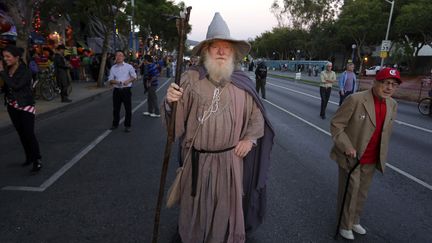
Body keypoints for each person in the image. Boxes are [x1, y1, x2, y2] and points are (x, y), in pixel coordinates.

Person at [164, 12, 274, 243]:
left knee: (224, 210)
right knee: (195, 209)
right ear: (206, 51)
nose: (222, 51)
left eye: (227, 47)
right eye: (216, 47)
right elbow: (176, 125)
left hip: (229, 161)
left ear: (233, 53)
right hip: (197, 160)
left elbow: (257, 118)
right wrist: (170, 102)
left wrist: (249, 140)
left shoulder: (243, 84)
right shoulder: (190, 80)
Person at [330, 67, 402, 240]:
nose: (389, 88)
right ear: (375, 82)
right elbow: (336, 125)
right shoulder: (356, 99)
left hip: (372, 157)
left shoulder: (392, 105)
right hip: (352, 157)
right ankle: (344, 224)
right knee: (350, 191)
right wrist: (346, 146)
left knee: (362, 192)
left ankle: (354, 220)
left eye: (393, 84)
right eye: (385, 83)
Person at [0, 45, 42, 172]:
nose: (5, 59)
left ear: (17, 57)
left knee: (29, 133)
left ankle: (37, 159)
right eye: (4, 56)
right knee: (21, 134)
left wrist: (2, 72)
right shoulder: (7, 70)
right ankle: (29, 157)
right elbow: (6, 87)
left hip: (25, 106)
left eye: (8, 56)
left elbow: (16, 86)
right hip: (12, 106)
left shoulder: (25, 71)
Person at [108, 50, 137, 132]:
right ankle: (115, 124)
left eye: (120, 55)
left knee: (128, 109)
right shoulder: (113, 68)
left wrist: (129, 80)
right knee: (116, 109)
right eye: (117, 55)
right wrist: (118, 82)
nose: (118, 57)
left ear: (124, 57)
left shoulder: (129, 66)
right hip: (117, 90)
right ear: (115, 57)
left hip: (126, 90)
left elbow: (134, 76)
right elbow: (110, 80)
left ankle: (127, 126)